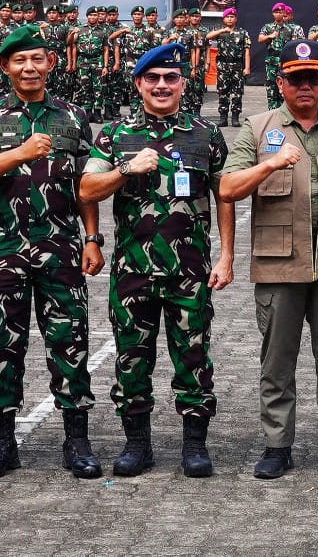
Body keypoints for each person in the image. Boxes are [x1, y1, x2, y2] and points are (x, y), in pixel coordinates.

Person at [219, 40, 318, 481]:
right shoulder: (257, 127)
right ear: (280, 82)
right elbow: (228, 190)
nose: (305, 86)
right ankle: (276, 445)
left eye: (314, 78)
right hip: (278, 266)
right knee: (277, 362)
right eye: (296, 78)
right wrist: (268, 166)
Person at [80, 42, 233, 479]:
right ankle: (137, 445)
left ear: (184, 84)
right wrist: (127, 169)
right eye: (153, 79)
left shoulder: (206, 134)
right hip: (133, 272)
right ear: (139, 84)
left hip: (190, 271)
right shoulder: (115, 135)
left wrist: (225, 255)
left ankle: (194, 445)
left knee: (194, 356)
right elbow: (87, 190)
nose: (162, 86)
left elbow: (223, 195)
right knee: (132, 358)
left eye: (170, 78)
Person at [0, 25, 104, 481]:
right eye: (20, 61)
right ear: (5, 67)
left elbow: (86, 186)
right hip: (3, 251)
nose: (29, 68)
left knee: (70, 343)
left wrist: (93, 237)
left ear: (51, 64)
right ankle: (1, 443)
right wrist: (20, 152)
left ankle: (76, 441)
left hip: (60, 250)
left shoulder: (73, 116)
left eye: (38, 59)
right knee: (1, 344)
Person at [207, 8, 252, 128]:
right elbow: (208, 37)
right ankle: (223, 117)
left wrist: (247, 67)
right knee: (223, 92)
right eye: (227, 17)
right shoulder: (220, 32)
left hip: (237, 65)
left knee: (237, 92)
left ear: (236, 19)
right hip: (223, 66)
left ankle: (235, 117)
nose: (230, 19)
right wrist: (223, 30)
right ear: (223, 19)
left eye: (232, 17)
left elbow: (247, 51)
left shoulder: (242, 33)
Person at [258, 3, 304, 111]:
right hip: (271, 62)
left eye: (280, 12)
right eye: (276, 12)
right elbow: (260, 39)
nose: (278, 14)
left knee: (286, 88)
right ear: (273, 14)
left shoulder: (290, 28)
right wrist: (270, 36)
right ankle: (272, 112)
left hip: (285, 62)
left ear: (284, 13)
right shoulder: (267, 27)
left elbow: (294, 45)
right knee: (271, 89)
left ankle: (286, 112)